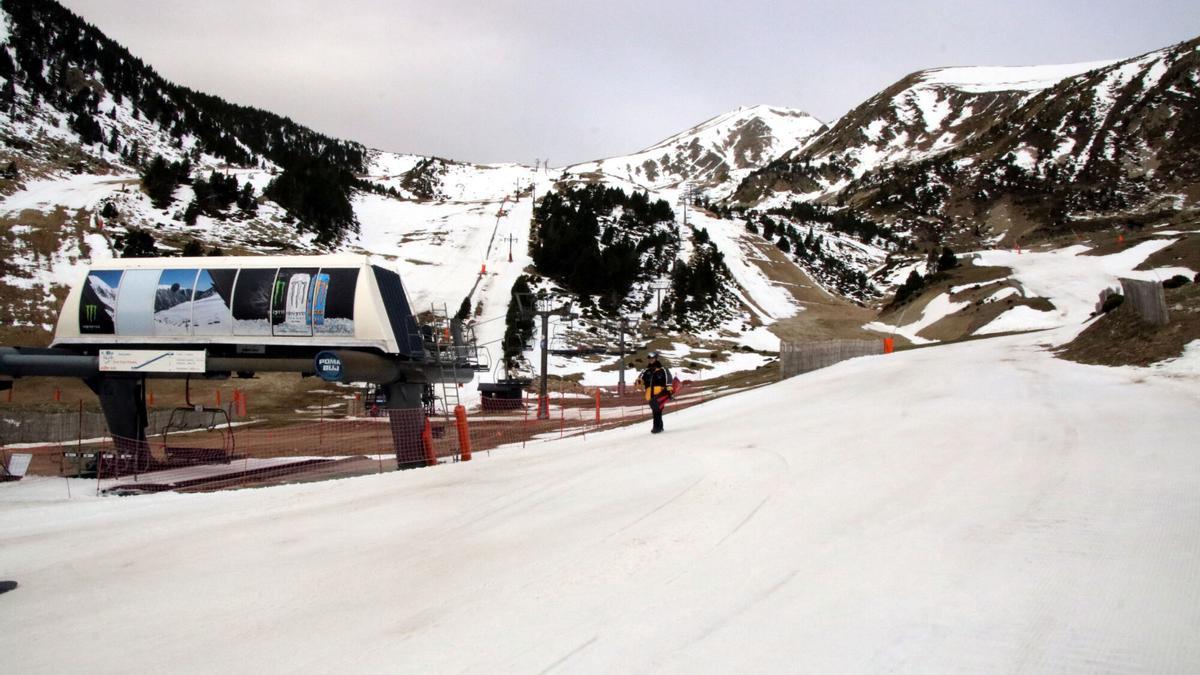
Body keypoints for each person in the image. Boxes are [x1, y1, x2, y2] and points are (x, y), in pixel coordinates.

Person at [638, 351, 673, 434]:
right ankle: (659, 427)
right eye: (649, 358)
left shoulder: (663, 369)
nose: (651, 360)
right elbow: (640, 381)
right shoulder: (645, 371)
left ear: (656, 358)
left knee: (657, 409)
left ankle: (656, 427)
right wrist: (638, 382)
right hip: (649, 394)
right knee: (656, 410)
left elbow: (669, 379)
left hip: (660, 393)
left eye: (652, 358)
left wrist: (668, 389)